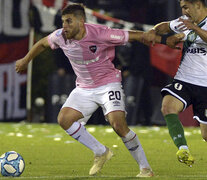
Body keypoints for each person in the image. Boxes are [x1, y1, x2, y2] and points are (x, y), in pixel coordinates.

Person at [15, 3, 182, 177]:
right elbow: (42, 43)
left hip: (108, 84)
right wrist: (25, 60)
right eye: (63, 21)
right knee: (64, 119)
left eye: (69, 22)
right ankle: (101, 151)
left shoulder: (101, 33)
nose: (64, 26)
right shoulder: (60, 36)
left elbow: (136, 36)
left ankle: (145, 168)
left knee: (118, 124)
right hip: (84, 88)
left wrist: (164, 40)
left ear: (81, 22)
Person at [143, 0, 207, 167]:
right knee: (168, 107)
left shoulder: (195, 25)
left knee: (206, 135)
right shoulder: (185, 22)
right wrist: (153, 30)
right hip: (185, 80)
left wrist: (194, 29)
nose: (184, 11)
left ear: (198, 5)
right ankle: (183, 149)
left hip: (206, 85)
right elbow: (165, 26)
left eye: (186, 7)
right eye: (182, 8)